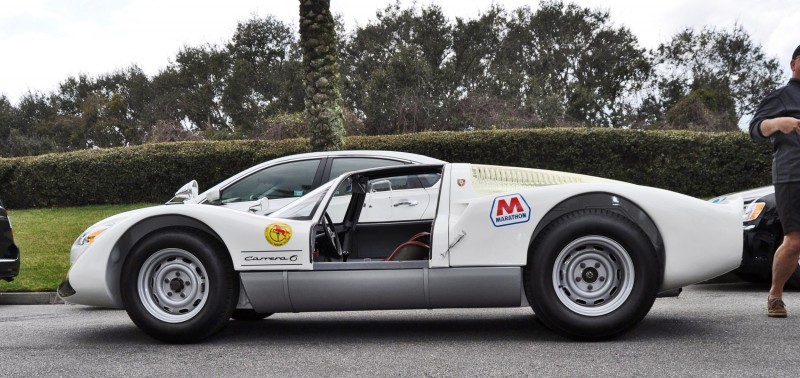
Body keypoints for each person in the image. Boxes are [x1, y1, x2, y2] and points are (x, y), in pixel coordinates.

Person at [749, 44, 800, 317]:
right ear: (793, 64)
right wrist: (780, 123)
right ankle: (775, 295)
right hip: (793, 175)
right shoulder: (780, 97)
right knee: (794, 241)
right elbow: (756, 130)